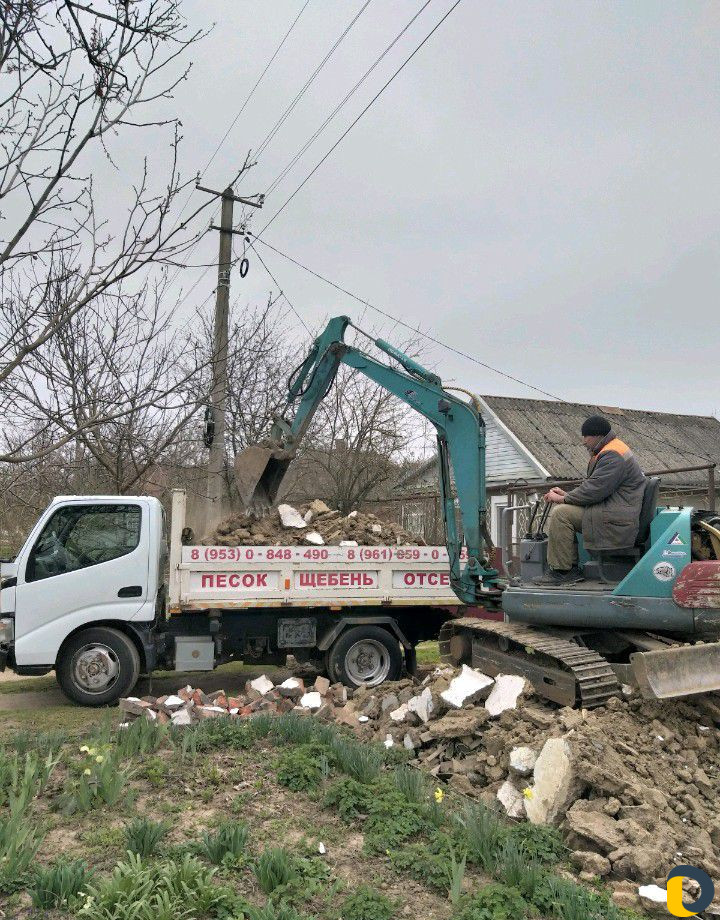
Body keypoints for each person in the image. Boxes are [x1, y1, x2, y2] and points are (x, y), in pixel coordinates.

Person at [535, 415, 646, 585]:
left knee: (561, 514)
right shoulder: (611, 450)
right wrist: (566, 495)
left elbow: (594, 490)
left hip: (615, 518)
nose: (583, 441)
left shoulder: (612, 455)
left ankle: (563, 571)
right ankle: (568, 568)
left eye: (585, 436)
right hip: (613, 511)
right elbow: (595, 487)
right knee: (563, 510)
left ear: (596, 436)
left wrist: (563, 500)